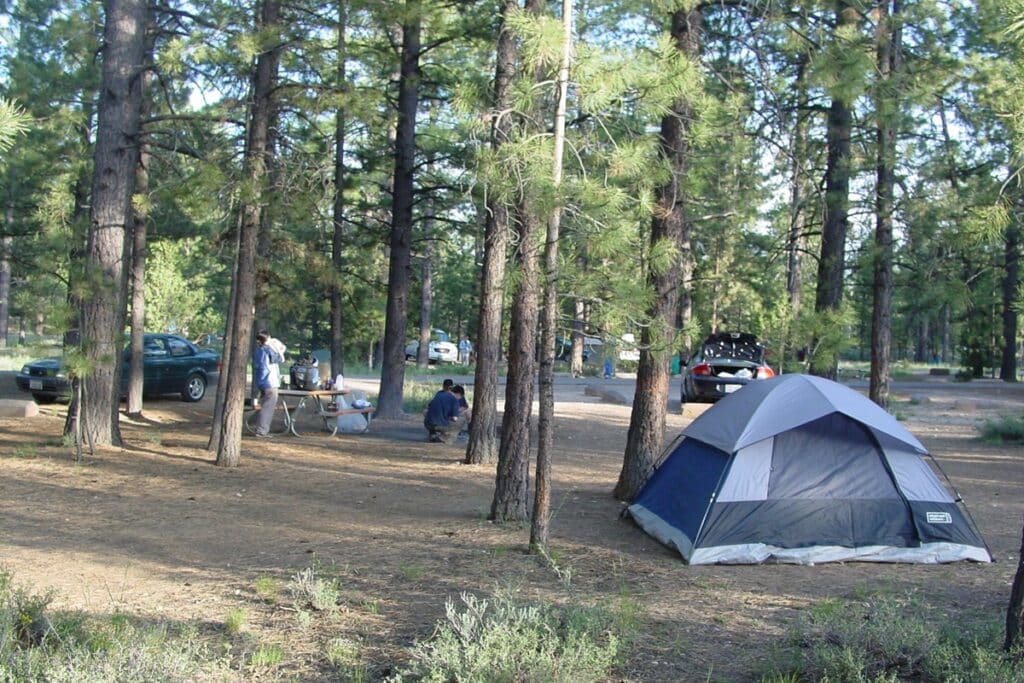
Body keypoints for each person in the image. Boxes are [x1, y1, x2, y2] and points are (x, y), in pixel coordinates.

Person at [252, 331, 285, 437]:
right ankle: (262, 431)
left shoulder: (258, 350)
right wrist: (277, 346)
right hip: (270, 383)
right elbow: (280, 358)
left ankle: (260, 428)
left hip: (261, 382)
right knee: (268, 407)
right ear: (267, 338)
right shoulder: (268, 350)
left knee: (264, 405)